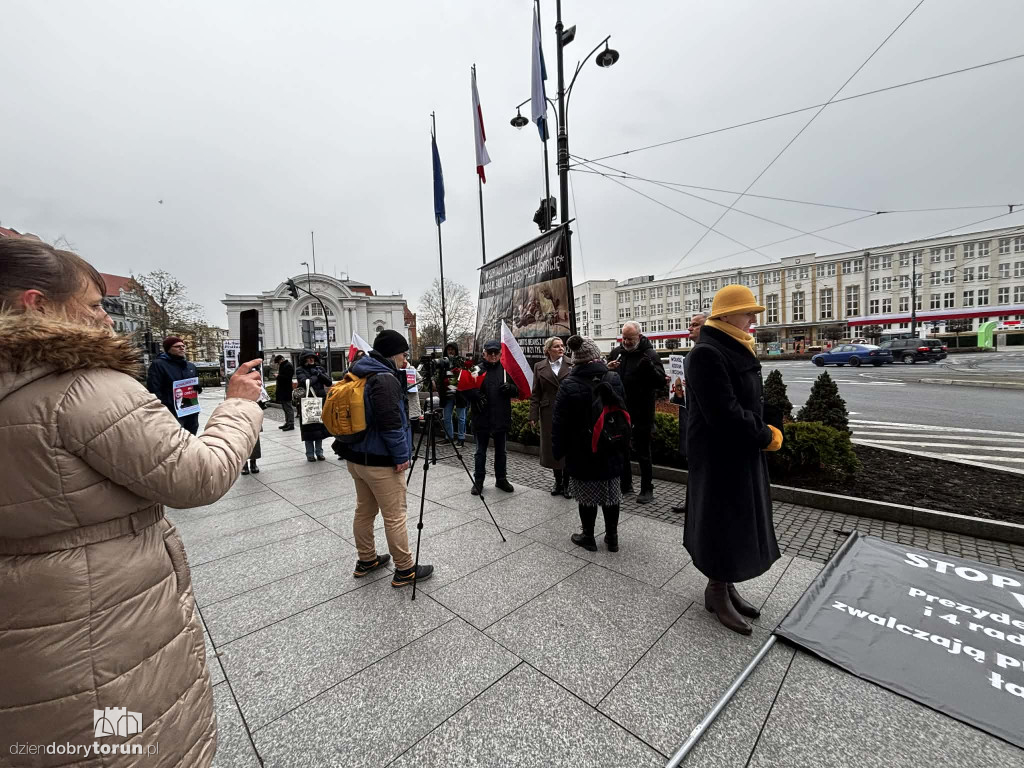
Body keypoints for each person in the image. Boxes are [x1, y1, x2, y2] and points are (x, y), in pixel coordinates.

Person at [0, 237, 264, 767]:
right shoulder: (82, 388)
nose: (107, 319)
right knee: (130, 741)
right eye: (94, 305)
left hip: (27, 626)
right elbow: (199, 476)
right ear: (36, 304)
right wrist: (238, 406)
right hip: (100, 617)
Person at [683, 285, 784, 635]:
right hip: (718, 457)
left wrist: (764, 427)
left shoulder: (734, 344)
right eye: (748, 312)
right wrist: (765, 435)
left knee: (735, 520)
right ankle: (716, 590)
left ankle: (724, 586)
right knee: (721, 522)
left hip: (738, 451)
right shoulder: (707, 353)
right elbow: (724, 413)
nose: (753, 319)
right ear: (726, 315)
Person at [335, 330, 434, 588]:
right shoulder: (384, 379)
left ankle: (366, 560)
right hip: (380, 460)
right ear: (392, 353)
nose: (405, 359)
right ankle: (405, 569)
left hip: (356, 456)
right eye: (403, 354)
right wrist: (401, 456)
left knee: (364, 510)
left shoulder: (359, 371)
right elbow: (391, 423)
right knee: (395, 515)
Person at [552, 336, 627, 552]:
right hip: (611, 445)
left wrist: (558, 450)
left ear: (576, 358)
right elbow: (624, 409)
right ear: (596, 355)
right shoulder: (613, 378)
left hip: (582, 449)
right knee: (611, 493)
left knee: (586, 494)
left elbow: (559, 423)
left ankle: (588, 536)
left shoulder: (568, 384)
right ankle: (612, 538)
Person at [607, 321, 667, 504]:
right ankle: (625, 484)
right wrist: (608, 368)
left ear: (639, 337)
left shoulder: (650, 354)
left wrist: (650, 369)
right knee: (621, 448)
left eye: (630, 339)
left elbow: (661, 382)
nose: (626, 342)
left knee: (643, 451)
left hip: (642, 411)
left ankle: (647, 488)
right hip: (621, 409)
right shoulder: (617, 353)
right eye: (624, 338)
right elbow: (606, 377)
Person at [464, 339, 517, 495]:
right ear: (484, 354)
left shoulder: (506, 370)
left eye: (496, 352)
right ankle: (478, 480)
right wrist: (474, 395)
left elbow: (518, 389)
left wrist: (510, 388)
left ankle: (501, 479)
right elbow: (462, 388)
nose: (493, 355)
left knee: (501, 452)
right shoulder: (476, 369)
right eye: (490, 352)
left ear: (500, 354)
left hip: (501, 416)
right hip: (482, 417)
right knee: (480, 452)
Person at [672, 312, 706, 514]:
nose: (689, 328)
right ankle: (692, 502)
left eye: (695, 324)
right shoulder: (693, 353)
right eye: (690, 324)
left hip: (701, 420)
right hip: (688, 414)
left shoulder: (707, 353)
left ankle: (698, 504)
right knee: (692, 461)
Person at [530, 336, 572, 497]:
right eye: (556, 346)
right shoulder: (539, 366)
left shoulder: (572, 364)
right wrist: (533, 415)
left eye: (562, 346)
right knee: (552, 447)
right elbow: (536, 393)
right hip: (548, 412)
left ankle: (567, 483)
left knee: (567, 446)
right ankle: (558, 481)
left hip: (568, 412)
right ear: (548, 350)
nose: (561, 348)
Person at [147, 335, 204, 435]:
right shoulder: (159, 364)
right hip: (172, 411)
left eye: (183, 346)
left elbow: (195, 385)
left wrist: (197, 388)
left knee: (192, 436)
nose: (182, 348)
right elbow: (154, 389)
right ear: (168, 349)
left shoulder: (190, 366)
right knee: (175, 437)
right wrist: (164, 406)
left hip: (190, 410)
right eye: (177, 346)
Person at [296, 349, 332, 461]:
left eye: (312, 357)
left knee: (319, 429)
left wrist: (319, 373)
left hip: (320, 402)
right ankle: (310, 454)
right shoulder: (300, 370)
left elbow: (329, 382)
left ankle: (319, 452)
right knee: (308, 428)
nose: (311, 359)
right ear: (304, 359)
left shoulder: (319, 369)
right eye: (308, 358)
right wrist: (316, 376)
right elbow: (305, 382)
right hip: (307, 403)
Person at [274, 353, 295, 430]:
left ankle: (291, 424)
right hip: (283, 390)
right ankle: (287, 422)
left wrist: (278, 376)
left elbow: (287, 378)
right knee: (285, 407)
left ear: (281, 360)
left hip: (286, 390)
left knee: (288, 407)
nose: (278, 364)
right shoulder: (284, 365)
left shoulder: (287, 366)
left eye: (278, 362)